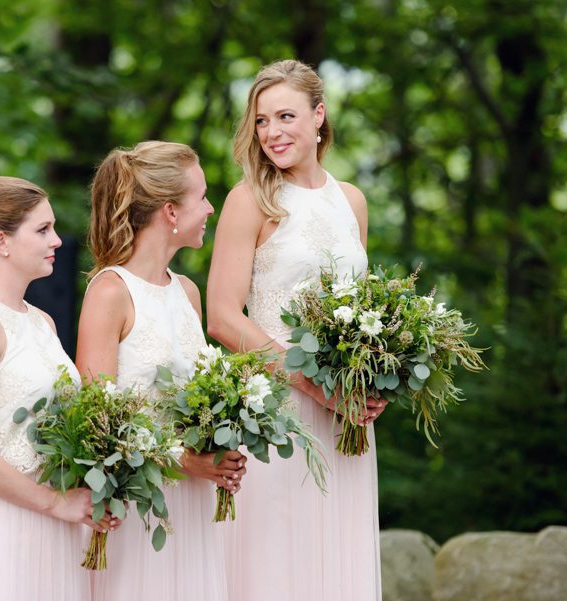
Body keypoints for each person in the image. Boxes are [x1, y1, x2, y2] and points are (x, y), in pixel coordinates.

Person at [206, 59, 386, 600]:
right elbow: (221, 316)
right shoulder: (251, 201)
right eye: (261, 121)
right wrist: (309, 382)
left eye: (285, 116)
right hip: (277, 410)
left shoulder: (351, 201)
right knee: (275, 562)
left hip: (347, 417)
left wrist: (372, 384)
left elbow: (364, 314)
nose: (272, 133)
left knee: (339, 558)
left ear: (319, 115)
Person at [0, 177, 115, 600]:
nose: (58, 240)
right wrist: (52, 503)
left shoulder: (41, 322)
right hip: (1, 521)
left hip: (54, 523)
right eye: (43, 230)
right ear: (2, 242)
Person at [76, 141, 246, 601]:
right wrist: (185, 460)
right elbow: (96, 427)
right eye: (203, 196)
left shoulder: (187, 292)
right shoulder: (110, 293)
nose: (211, 207)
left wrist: (221, 441)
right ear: (171, 211)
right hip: (138, 507)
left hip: (193, 505)